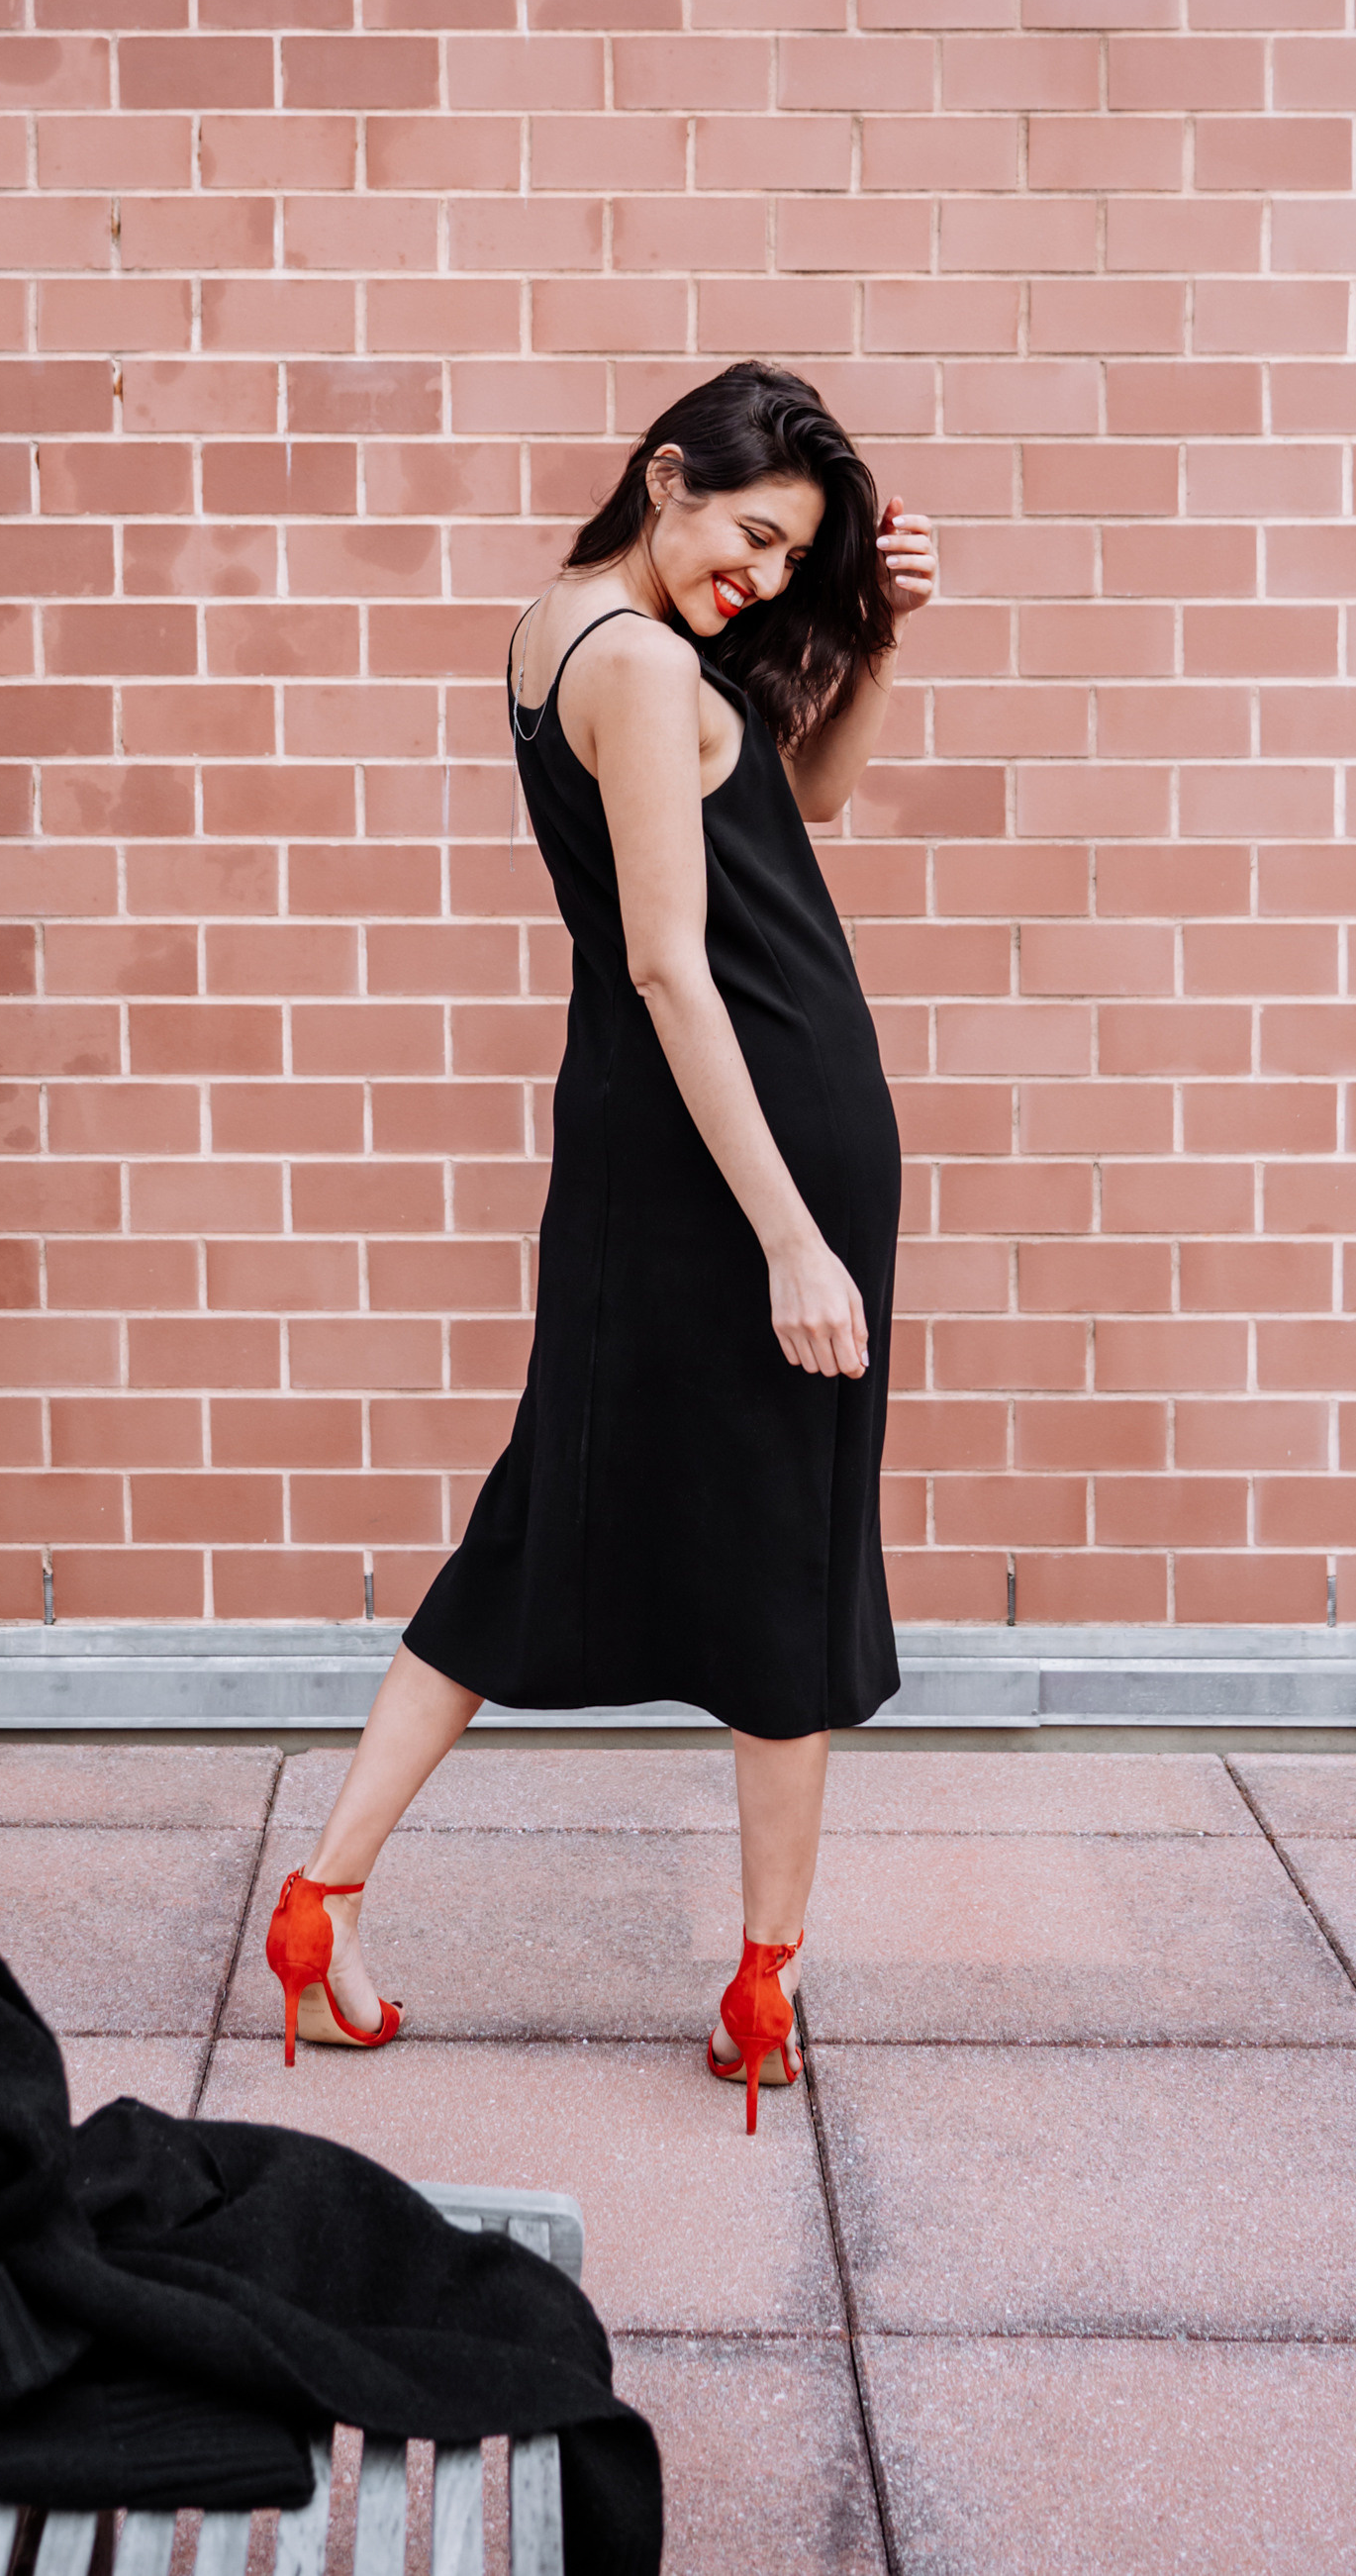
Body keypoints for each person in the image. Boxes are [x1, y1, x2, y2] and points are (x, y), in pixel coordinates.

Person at [264, 361, 936, 2131]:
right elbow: (666, 959)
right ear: (663, 476)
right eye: (752, 533)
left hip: (656, 1145)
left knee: (542, 1504)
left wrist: (868, 636)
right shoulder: (637, 664)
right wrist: (792, 1237)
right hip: (741, 1153)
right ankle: (763, 1985)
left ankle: (317, 1900)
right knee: (786, 1542)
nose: (768, 578)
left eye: (797, 554)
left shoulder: (562, 624)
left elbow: (815, 809)